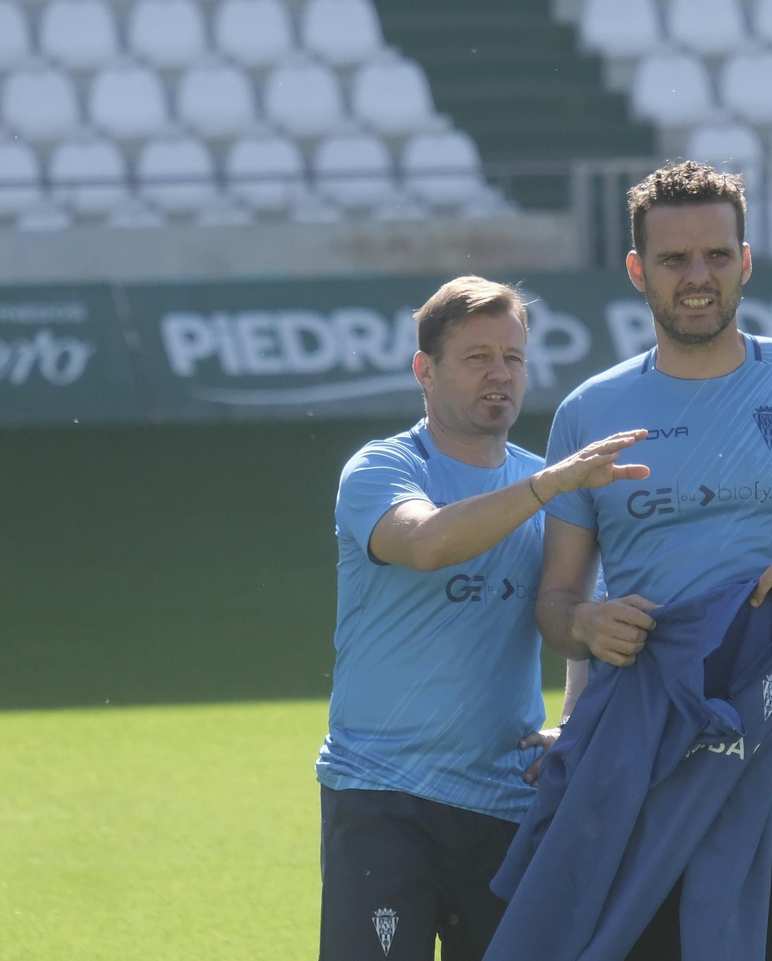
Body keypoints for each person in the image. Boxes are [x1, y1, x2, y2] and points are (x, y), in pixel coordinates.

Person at [534, 162, 772, 961]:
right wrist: (587, 622)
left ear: (745, 260)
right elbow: (557, 600)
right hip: (642, 758)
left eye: (716, 255)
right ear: (639, 271)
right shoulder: (590, 411)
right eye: (674, 260)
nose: (697, 277)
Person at [317, 275, 648, 961]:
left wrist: (575, 724)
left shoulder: (549, 485)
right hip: (382, 793)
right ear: (424, 370)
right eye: (476, 357)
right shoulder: (382, 468)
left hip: (505, 801)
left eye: (514, 357)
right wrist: (547, 486)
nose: (499, 373)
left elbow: (583, 615)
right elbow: (427, 541)